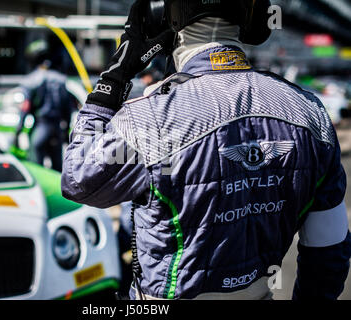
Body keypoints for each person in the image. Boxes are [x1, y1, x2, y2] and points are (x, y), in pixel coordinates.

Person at [61, 0, 351, 300]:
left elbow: (77, 178)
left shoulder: (149, 119)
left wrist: (116, 76)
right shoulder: (311, 114)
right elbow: (328, 254)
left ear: (166, 18)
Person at [14, 39, 75, 172]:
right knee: (58, 171)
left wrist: (17, 133)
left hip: (40, 128)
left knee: (37, 170)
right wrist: (65, 132)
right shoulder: (61, 80)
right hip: (56, 129)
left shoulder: (30, 81)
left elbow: (25, 109)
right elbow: (68, 109)